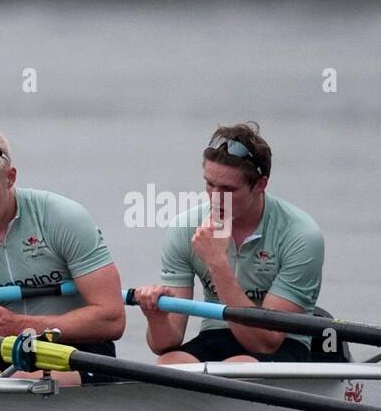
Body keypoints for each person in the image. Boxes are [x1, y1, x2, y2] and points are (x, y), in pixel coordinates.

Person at [0, 124, 124, 386]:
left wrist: (20, 324)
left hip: (77, 348)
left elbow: (112, 319)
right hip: (5, 349)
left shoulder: (63, 218)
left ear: (10, 177)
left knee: (21, 380)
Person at [133, 122, 323, 363]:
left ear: (260, 185)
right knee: (168, 364)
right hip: (217, 333)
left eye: (228, 189)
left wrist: (216, 262)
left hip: (282, 343)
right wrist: (155, 316)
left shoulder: (301, 236)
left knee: (238, 368)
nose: (215, 197)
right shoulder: (185, 228)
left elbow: (265, 342)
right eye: (209, 184)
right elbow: (164, 344)